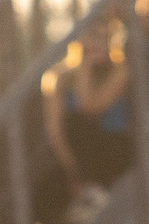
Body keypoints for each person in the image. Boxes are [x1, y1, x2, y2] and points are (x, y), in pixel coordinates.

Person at [41, 13, 132, 209]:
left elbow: (88, 106)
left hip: (112, 147)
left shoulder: (120, 70)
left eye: (105, 37)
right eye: (93, 35)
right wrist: (73, 171)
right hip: (74, 158)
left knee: (81, 120)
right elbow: (55, 132)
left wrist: (85, 68)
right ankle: (85, 190)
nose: (98, 43)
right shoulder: (58, 76)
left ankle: (90, 189)